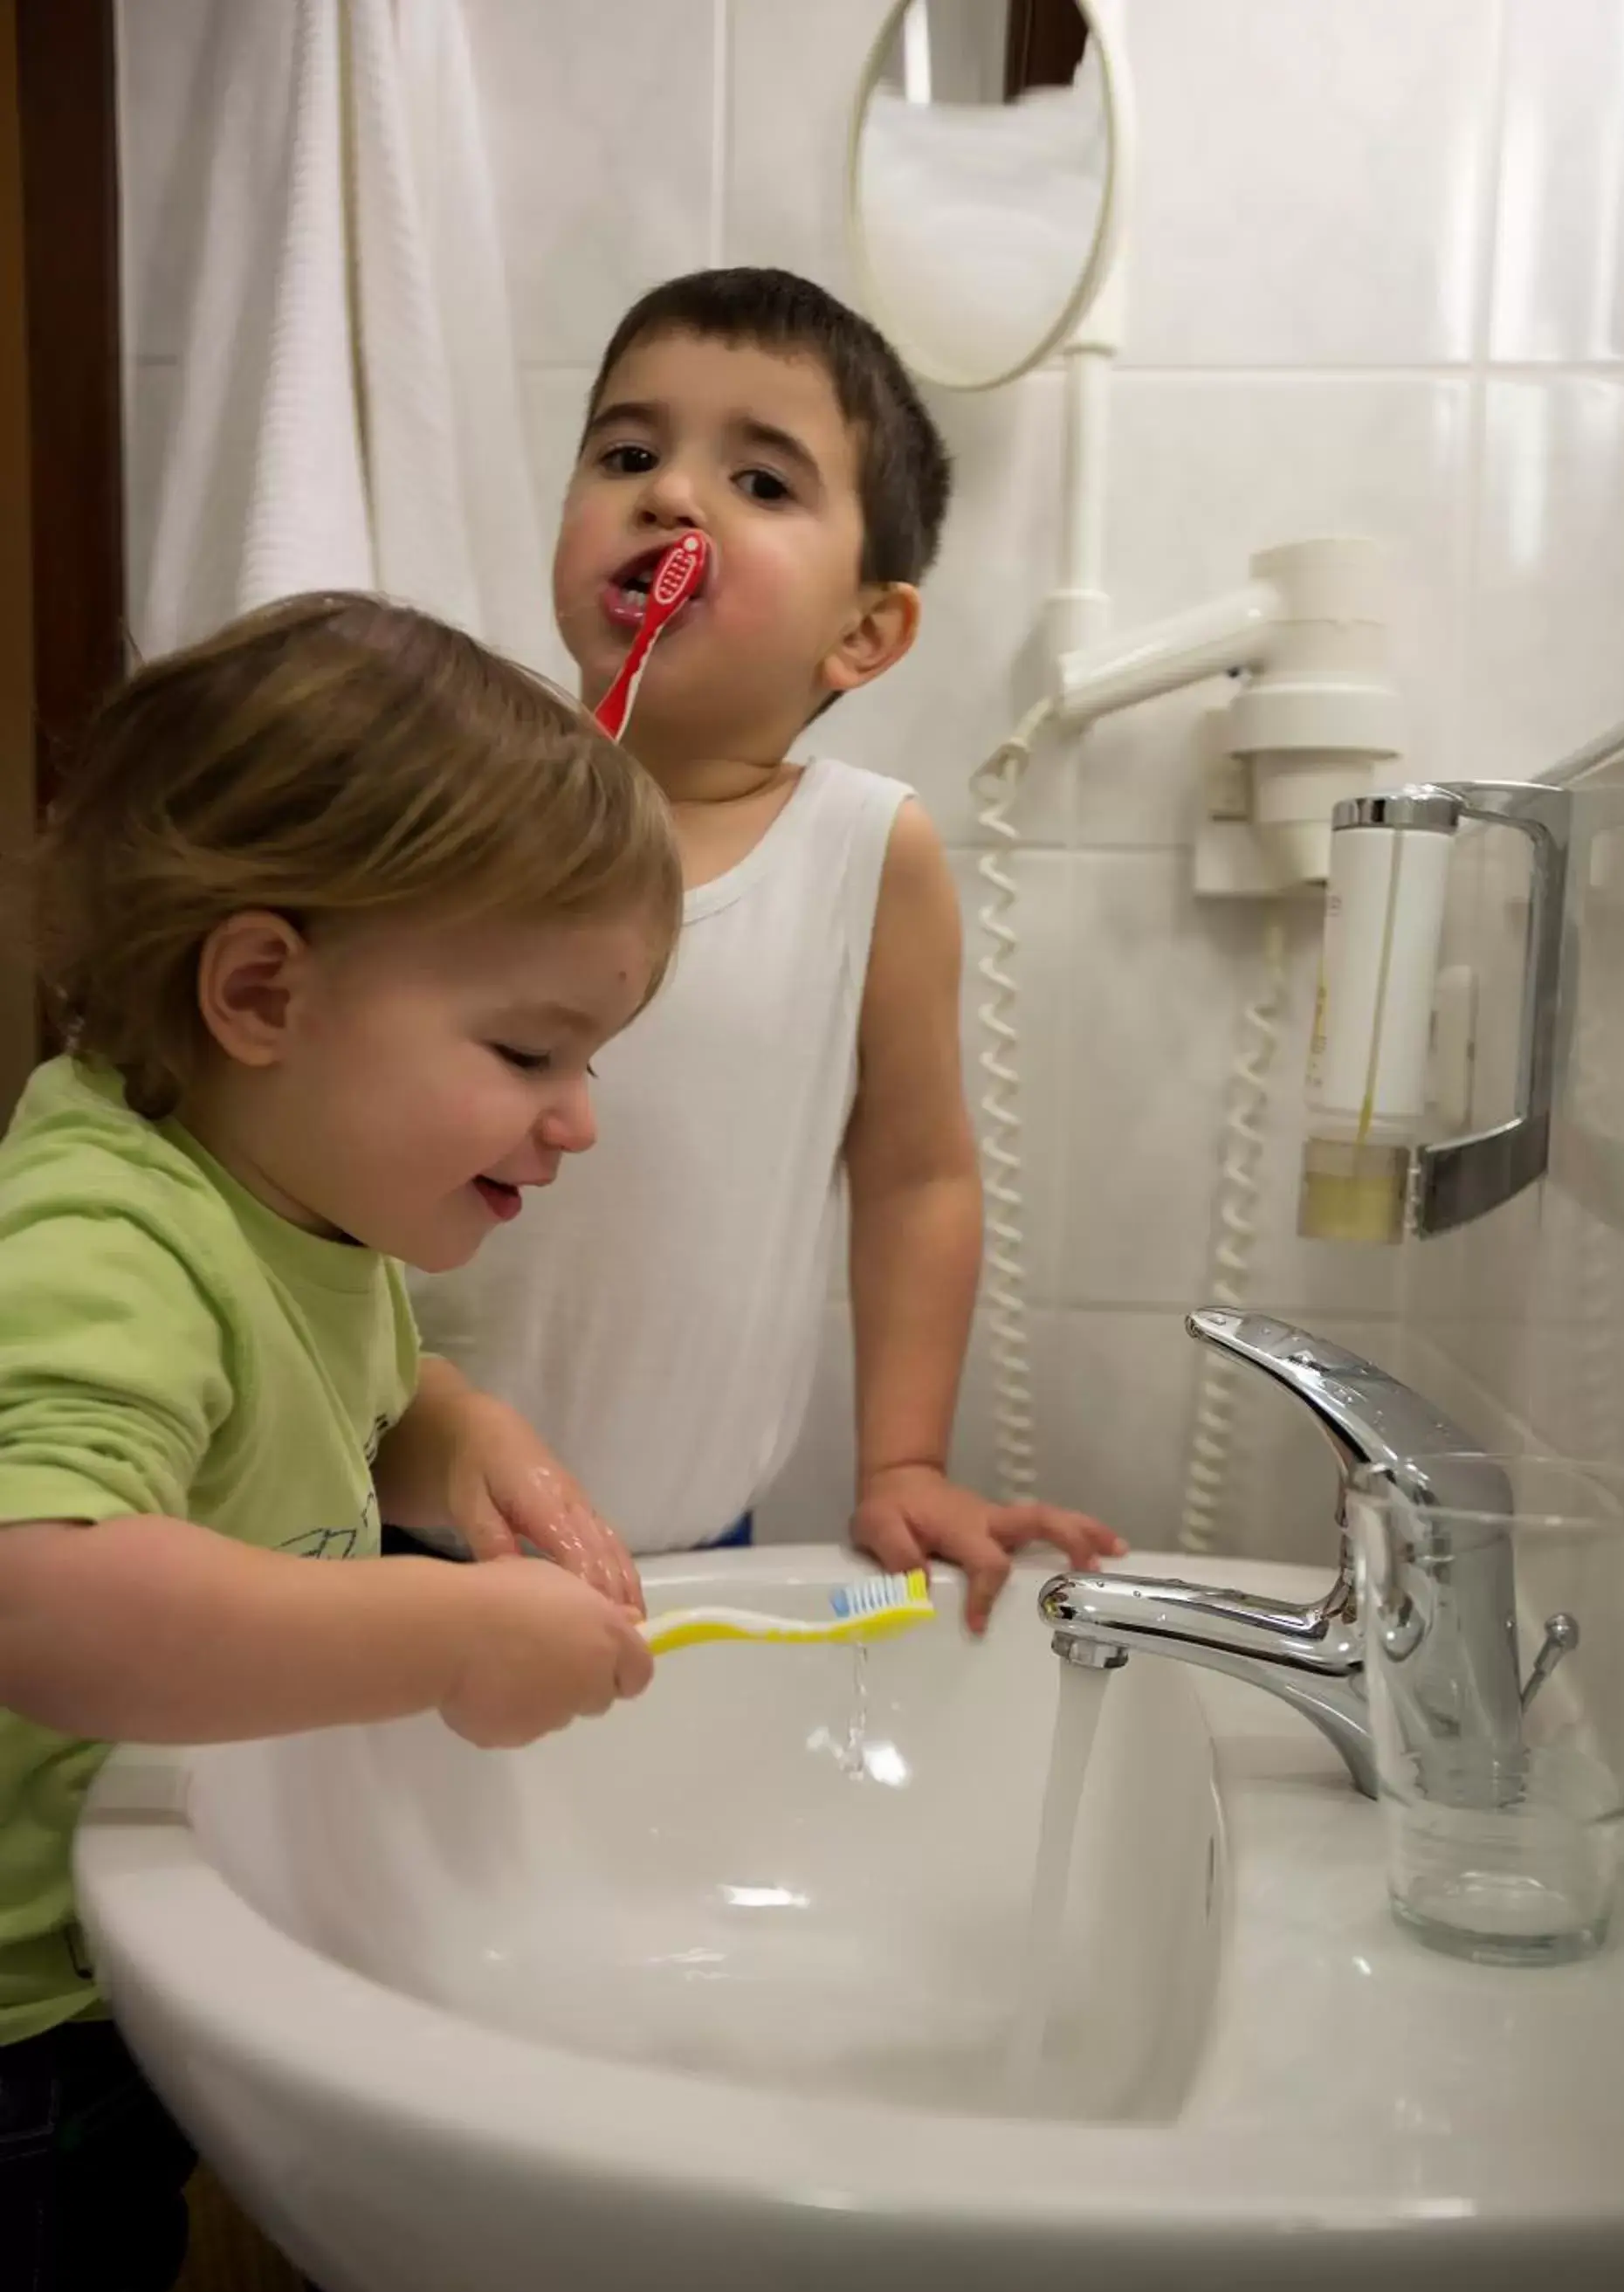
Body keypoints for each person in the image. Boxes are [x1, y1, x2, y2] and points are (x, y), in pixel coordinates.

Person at [0, 591, 679, 2292]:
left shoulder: (295, 1208)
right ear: (264, 992)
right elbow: (39, 1581)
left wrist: (451, 1436)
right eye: (527, 1049)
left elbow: (356, 1404)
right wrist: (453, 1637)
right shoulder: (108, 1226)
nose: (576, 1116)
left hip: (113, 1933)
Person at [412, 265, 1125, 1624]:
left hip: (690, 1550)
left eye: (763, 484)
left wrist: (902, 1457)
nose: (672, 497)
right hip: (379, 1520)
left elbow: (918, 1176)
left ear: (865, 630)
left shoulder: (867, 854)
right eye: (629, 453)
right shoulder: (438, 803)